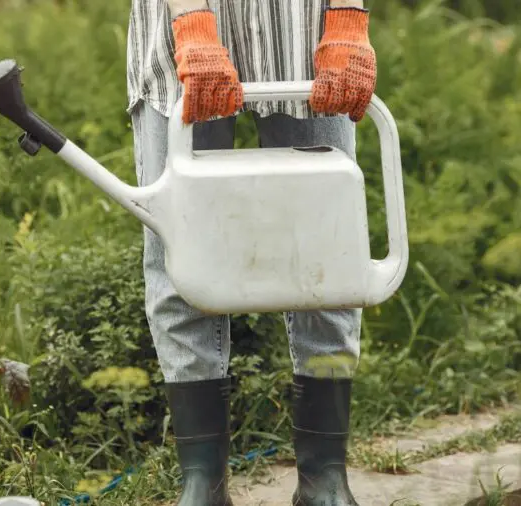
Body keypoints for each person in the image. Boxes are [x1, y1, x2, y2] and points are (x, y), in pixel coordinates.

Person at [127, 0, 376, 504]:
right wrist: (193, 24)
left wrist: (348, 17)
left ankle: (324, 480)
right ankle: (203, 484)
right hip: (181, 33)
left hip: (306, 30)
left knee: (328, 251)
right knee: (181, 254)